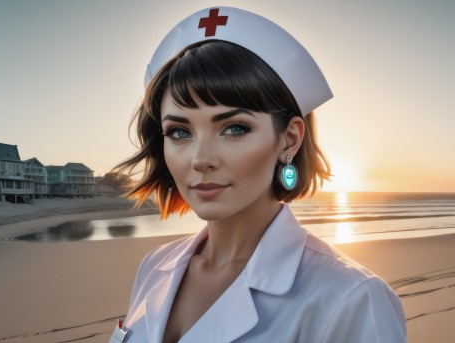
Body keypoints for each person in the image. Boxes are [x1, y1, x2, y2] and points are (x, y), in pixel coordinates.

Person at [108, 6, 406, 343]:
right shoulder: (153, 267)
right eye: (179, 132)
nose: (201, 159)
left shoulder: (350, 299)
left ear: (289, 139)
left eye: (234, 128)